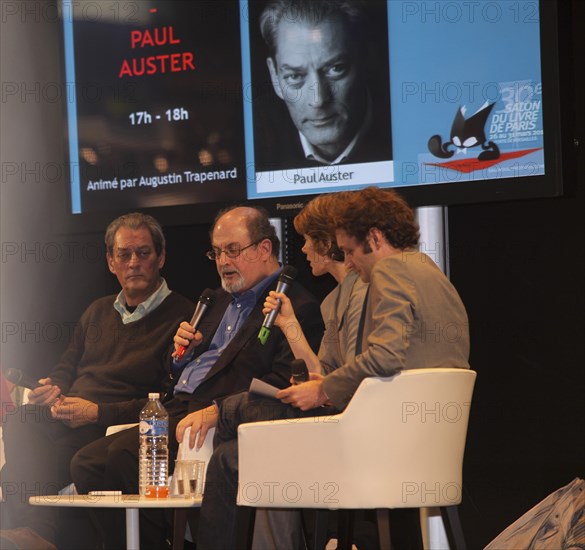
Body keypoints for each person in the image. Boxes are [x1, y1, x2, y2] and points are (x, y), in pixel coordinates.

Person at [195, 187, 470, 549]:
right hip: (423, 447)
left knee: (231, 454)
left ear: (374, 237)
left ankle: (219, 417)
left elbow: (384, 357)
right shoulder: (428, 269)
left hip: (377, 444)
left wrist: (322, 389)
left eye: (353, 252)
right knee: (237, 447)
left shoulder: (390, 271)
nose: (352, 263)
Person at [69, 205, 324, 549]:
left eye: (232, 250)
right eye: (217, 252)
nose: (222, 261)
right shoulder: (215, 301)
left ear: (264, 249)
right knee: (86, 463)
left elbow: (284, 380)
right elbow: (175, 373)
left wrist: (220, 408)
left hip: (218, 415)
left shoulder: (295, 306)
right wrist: (180, 356)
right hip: (181, 406)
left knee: (123, 459)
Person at [0, 212, 194, 550]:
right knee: (22, 420)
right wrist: (53, 387)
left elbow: (168, 401)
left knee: (63, 455)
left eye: (143, 253)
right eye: (124, 254)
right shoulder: (97, 311)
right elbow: (67, 367)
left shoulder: (184, 317)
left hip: (114, 425)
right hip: (69, 415)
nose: (133, 262)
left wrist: (97, 413)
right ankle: (39, 533)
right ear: (110, 262)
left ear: (161, 258)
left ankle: (48, 535)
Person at [254, 192, 369, 549]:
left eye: (307, 240)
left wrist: (319, 387)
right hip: (336, 416)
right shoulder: (334, 299)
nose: (302, 250)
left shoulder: (366, 290)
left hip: (360, 430)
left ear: (327, 241)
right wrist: (289, 326)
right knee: (251, 444)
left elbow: (349, 383)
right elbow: (324, 373)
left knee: (248, 435)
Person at [253, 0, 393, 171]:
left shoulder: (404, 123)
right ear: (275, 76)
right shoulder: (253, 138)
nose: (318, 100)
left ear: (366, 60)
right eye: (295, 76)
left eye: (336, 69)